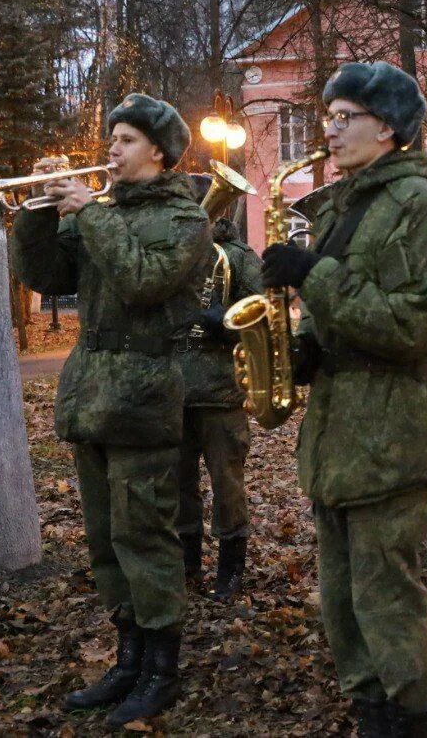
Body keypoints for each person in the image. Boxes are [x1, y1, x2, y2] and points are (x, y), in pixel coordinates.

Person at [259, 62, 427, 737]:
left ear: (391, 128)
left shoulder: (422, 209)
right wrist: (306, 347)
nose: (330, 129)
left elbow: (417, 332)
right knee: (343, 605)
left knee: (387, 601)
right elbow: (349, 310)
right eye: (329, 115)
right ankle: (370, 708)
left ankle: (406, 717)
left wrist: (316, 277)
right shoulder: (348, 204)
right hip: (339, 438)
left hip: (389, 441)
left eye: (346, 116)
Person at [11, 94, 211, 727]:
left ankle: (161, 667)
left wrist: (90, 215)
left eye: (125, 140)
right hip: (93, 390)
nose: (112, 151)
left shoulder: (185, 217)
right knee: (103, 537)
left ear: (159, 151)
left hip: (147, 392)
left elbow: (144, 282)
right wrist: (40, 213)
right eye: (112, 139)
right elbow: (46, 276)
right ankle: (128, 658)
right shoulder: (105, 212)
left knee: (143, 533)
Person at [177, 176, 261, 601]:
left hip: (219, 390)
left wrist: (223, 320)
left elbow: (261, 312)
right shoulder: (171, 256)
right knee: (178, 485)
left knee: (227, 484)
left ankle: (231, 567)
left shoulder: (239, 258)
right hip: (171, 391)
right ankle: (188, 562)